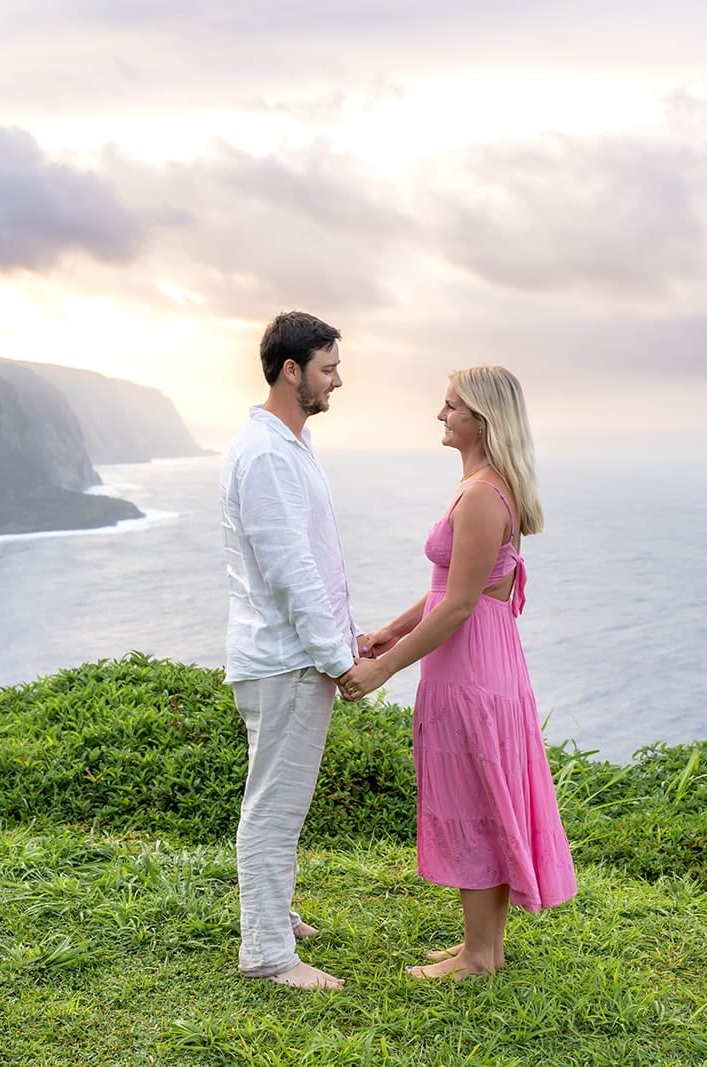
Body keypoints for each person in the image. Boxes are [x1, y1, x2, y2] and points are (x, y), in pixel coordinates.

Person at [339, 365, 577, 980]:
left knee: (475, 796)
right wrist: (392, 628)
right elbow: (450, 587)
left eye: (450, 407)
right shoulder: (493, 485)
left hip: (470, 663)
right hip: (487, 658)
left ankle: (477, 955)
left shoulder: (479, 494)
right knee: (488, 795)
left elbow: (461, 603)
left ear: (481, 419)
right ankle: (484, 948)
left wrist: (385, 666)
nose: (441, 416)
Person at [220, 310, 359, 991]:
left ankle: (275, 914)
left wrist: (343, 636)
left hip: (284, 654)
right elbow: (289, 568)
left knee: (277, 802)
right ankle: (269, 953)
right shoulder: (271, 453)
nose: (338, 380)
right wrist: (336, 657)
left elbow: (314, 564)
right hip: (288, 660)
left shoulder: (286, 444)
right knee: (274, 809)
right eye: (328, 367)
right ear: (291, 369)